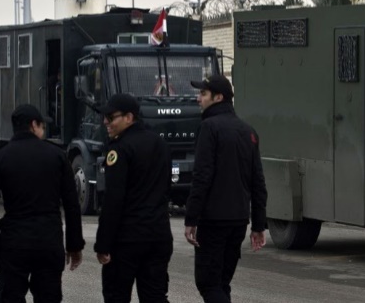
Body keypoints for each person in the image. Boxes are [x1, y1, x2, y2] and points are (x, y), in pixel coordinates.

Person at [0, 104, 84, 303]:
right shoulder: (58, 157)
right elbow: (71, 204)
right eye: (42, 126)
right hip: (49, 242)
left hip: (14, 243)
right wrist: (74, 245)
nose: (43, 131)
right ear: (34, 125)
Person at [184, 75, 268, 303]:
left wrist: (191, 219)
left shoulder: (209, 128)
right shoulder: (248, 131)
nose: (198, 98)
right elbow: (258, 181)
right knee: (221, 283)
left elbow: (202, 176)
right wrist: (258, 224)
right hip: (238, 220)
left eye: (203, 94)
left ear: (218, 97)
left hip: (213, 220)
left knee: (208, 283)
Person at [94, 93, 173, 302]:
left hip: (127, 239)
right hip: (158, 234)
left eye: (111, 118)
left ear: (129, 117)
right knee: (155, 296)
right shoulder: (160, 143)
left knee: (116, 296)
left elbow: (113, 199)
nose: (105, 122)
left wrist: (103, 244)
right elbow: (167, 187)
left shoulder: (120, 149)